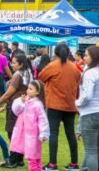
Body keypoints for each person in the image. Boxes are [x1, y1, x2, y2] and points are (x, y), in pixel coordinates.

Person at [39, 43, 81, 171]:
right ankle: (74, 164)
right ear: (68, 52)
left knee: (53, 133)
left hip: (54, 104)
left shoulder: (53, 65)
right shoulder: (75, 68)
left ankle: (52, 164)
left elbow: (41, 77)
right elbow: (77, 84)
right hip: (70, 105)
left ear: (56, 53)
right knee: (70, 134)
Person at [0, 54, 34, 168]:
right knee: (19, 132)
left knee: (13, 133)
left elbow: (7, 94)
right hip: (23, 105)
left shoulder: (18, 75)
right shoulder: (28, 72)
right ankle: (19, 159)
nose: (11, 64)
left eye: (14, 63)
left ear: (21, 64)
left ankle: (13, 159)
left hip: (15, 106)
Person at [10, 80, 50, 171]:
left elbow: (43, 120)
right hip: (25, 132)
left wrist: (43, 133)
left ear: (38, 92)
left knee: (33, 155)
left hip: (33, 134)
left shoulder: (37, 105)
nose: (28, 90)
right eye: (28, 88)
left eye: (31, 89)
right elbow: (16, 111)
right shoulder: (26, 101)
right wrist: (22, 102)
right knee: (32, 155)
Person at [75, 46, 99, 171]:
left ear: (93, 57)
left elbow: (87, 96)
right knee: (96, 150)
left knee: (90, 151)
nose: (84, 58)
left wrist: (77, 103)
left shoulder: (90, 73)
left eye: (86, 55)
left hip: (90, 113)